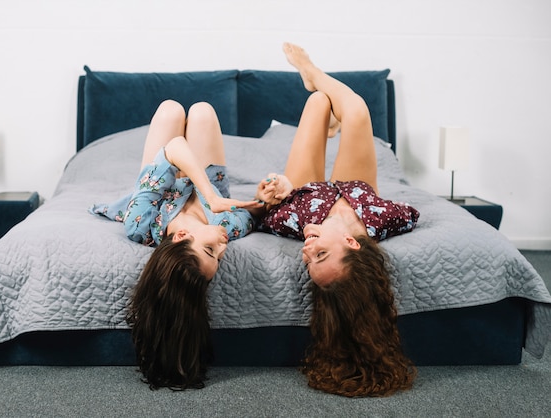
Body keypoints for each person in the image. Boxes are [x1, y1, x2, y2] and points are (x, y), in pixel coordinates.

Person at [255, 43, 420, 397]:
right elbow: (411, 213)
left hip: (307, 194)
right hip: (358, 192)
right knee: (357, 110)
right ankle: (312, 72)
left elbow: (262, 214)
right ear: (351, 243)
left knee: (316, 103)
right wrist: (358, 208)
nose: (308, 248)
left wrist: (276, 192)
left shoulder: (299, 224)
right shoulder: (379, 222)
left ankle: (322, 110)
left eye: (307, 259)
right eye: (321, 254)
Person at [91, 100, 261, 390]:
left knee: (171, 110)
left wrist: (210, 197)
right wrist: (265, 195)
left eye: (211, 250)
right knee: (203, 112)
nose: (223, 248)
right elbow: (257, 212)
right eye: (219, 258)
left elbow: (176, 146)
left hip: (162, 178)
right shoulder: (227, 228)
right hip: (209, 179)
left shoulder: (141, 224)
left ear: (181, 237)